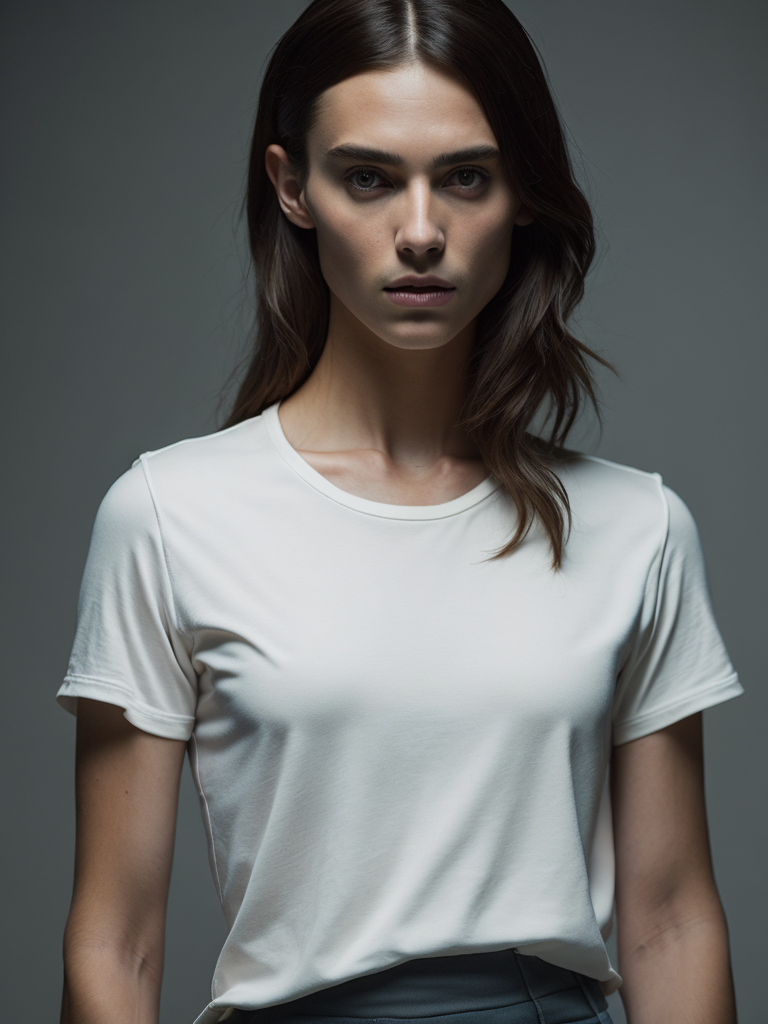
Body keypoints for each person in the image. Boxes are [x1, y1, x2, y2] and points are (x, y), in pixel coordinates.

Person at [55, 2, 744, 1023]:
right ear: (292, 186)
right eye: (369, 178)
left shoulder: (638, 527)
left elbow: (672, 918)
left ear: (521, 194)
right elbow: (115, 941)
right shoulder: (167, 515)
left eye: (465, 177)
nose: (420, 232)